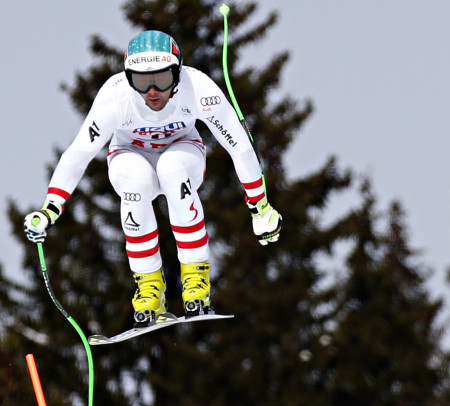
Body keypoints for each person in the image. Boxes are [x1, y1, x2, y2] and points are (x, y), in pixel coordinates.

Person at [24, 30, 282, 327]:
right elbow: (78, 154)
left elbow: (239, 145)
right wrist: (50, 208)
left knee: (171, 167)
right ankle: (149, 287)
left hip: (183, 152)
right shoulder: (115, 96)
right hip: (129, 155)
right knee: (135, 180)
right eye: (141, 81)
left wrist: (260, 207)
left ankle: (196, 280)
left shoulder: (198, 87)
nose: (152, 92)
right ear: (128, 77)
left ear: (178, 71)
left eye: (162, 79)